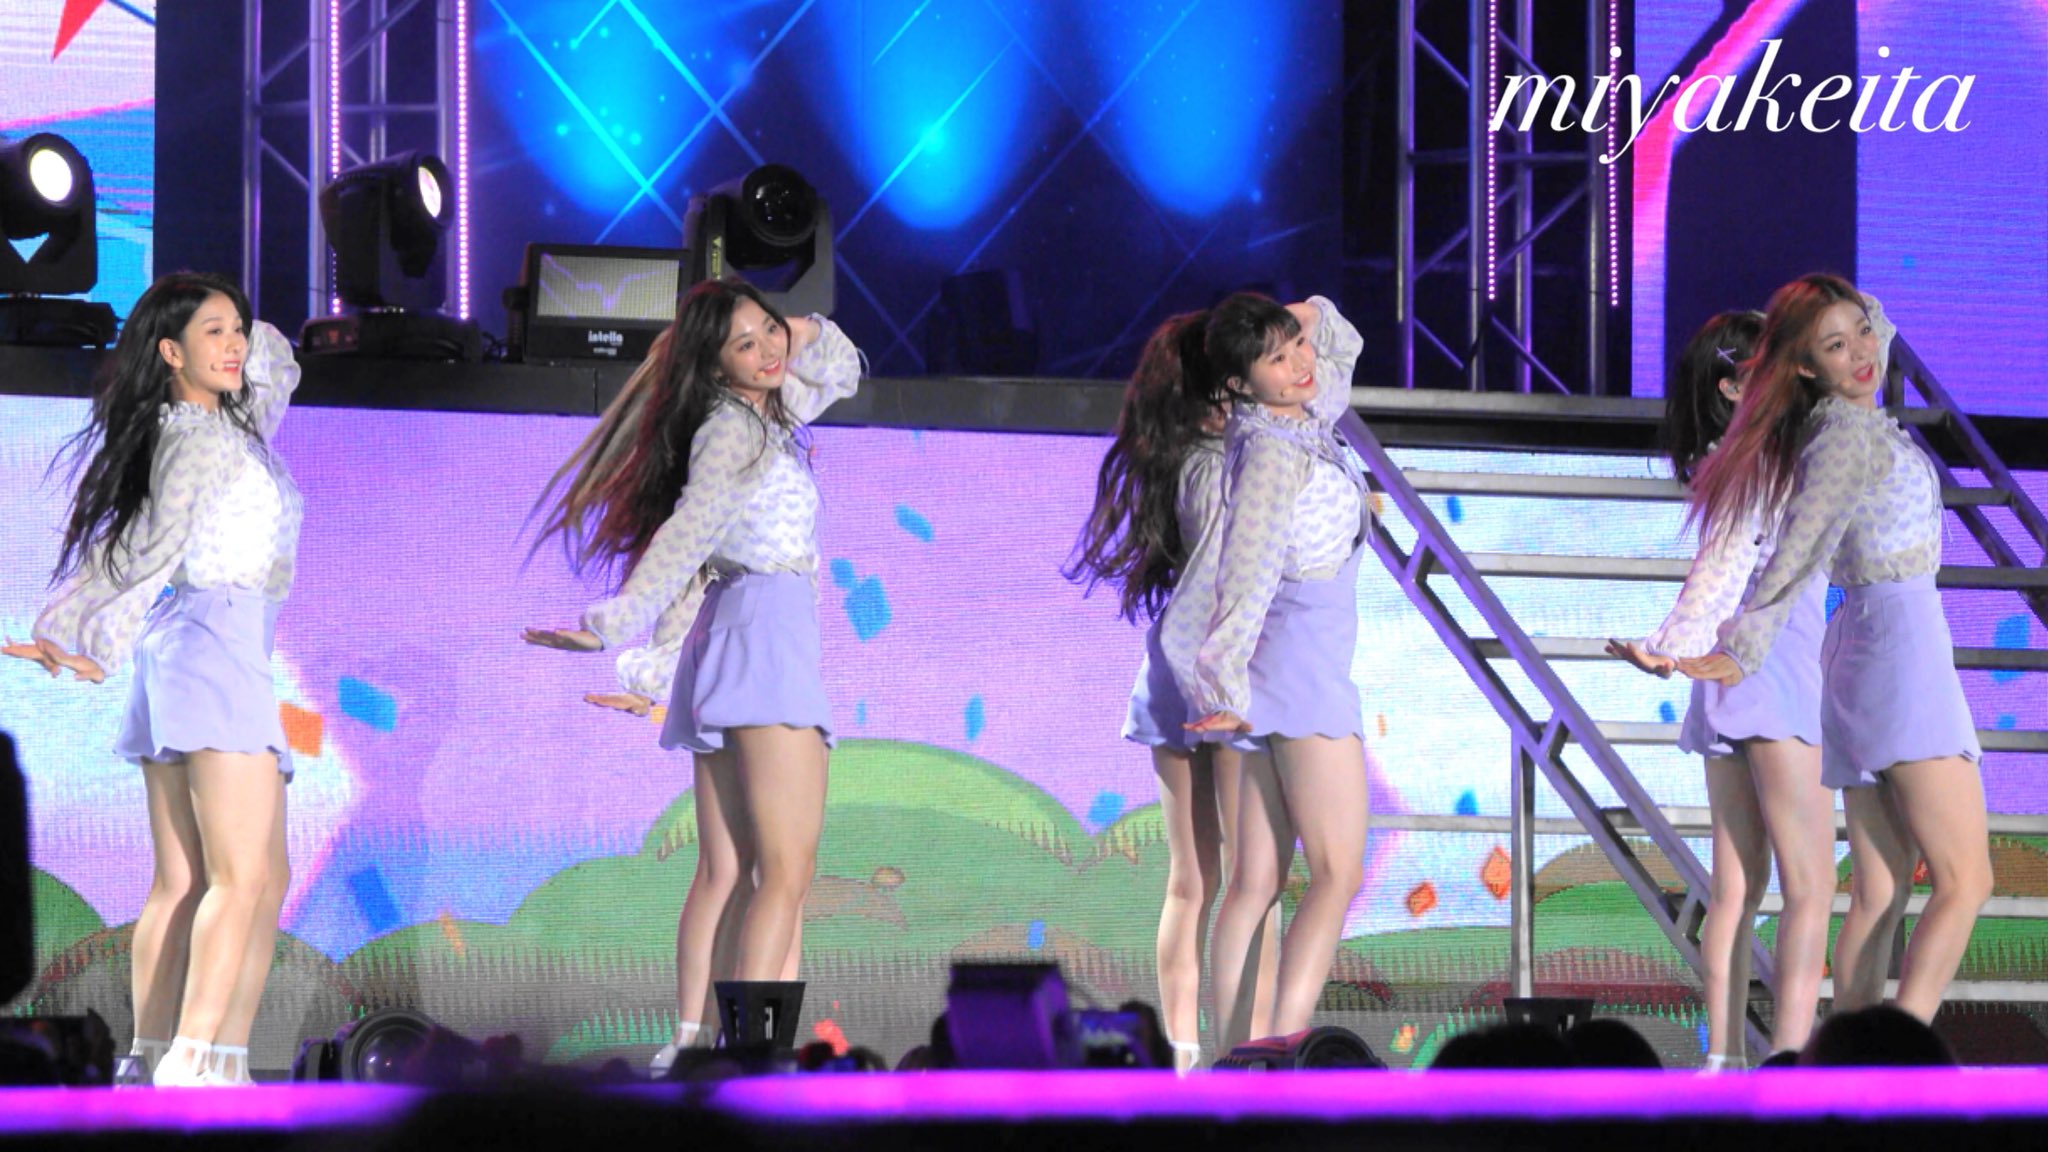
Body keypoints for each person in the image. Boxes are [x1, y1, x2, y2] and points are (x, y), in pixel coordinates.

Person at [524, 277, 860, 1071]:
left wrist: (648, 668)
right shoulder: (732, 432)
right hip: (765, 643)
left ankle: (706, 1045)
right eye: (745, 343)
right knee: (783, 873)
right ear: (713, 366)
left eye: (769, 330)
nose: (770, 348)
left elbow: (843, 365)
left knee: (740, 873)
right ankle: (750, 1053)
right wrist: (612, 622)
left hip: (740, 637)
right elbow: (688, 535)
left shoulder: (765, 418)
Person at [7, 273, 300, 1086]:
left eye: (236, 327)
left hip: (211, 648)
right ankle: (194, 1057)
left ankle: (174, 1057)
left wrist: (224, 320)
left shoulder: (222, 426)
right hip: (214, 644)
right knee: (240, 877)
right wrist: (75, 629)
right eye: (214, 333)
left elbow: (277, 361)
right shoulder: (199, 441)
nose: (236, 344)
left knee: (205, 878)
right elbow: (146, 545)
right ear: (170, 352)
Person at [1677, 273, 1990, 1023]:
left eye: (1863, 335)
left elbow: (1870, 323)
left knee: (1881, 888)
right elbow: (1797, 549)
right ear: (1805, 366)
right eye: (1835, 346)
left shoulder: (1847, 423)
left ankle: (1850, 1059)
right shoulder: (1845, 438)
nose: (1862, 352)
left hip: (1872, 646)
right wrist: (1747, 642)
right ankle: (1897, 1056)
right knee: (1966, 880)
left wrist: (1822, 311)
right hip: (1897, 648)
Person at [1607, 309, 1835, 1069]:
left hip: (1735, 678)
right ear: (1736, 387)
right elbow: (1720, 572)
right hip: (1772, 672)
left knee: (1738, 884)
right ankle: (1790, 1059)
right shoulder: (1766, 462)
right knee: (1808, 885)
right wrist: (1669, 649)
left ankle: (1725, 1058)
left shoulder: (1745, 460)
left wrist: (1675, 652)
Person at [1066, 313, 1277, 1073]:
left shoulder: (1187, 462)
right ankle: (1245, 1049)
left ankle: (1189, 1054)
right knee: (1249, 878)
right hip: (1222, 678)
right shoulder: (1224, 467)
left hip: (1180, 672)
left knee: (1197, 881)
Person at [1172, 293, 1368, 1049]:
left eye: (1295, 349)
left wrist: (1273, 324)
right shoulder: (1273, 451)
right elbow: (1245, 572)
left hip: (1286, 664)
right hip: (1297, 668)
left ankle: (1238, 1057)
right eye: (1276, 360)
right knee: (1337, 872)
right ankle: (1284, 1050)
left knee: (1256, 881)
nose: (1299, 365)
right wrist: (1222, 681)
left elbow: (1339, 338)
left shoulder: (1299, 421)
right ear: (1239, 384)